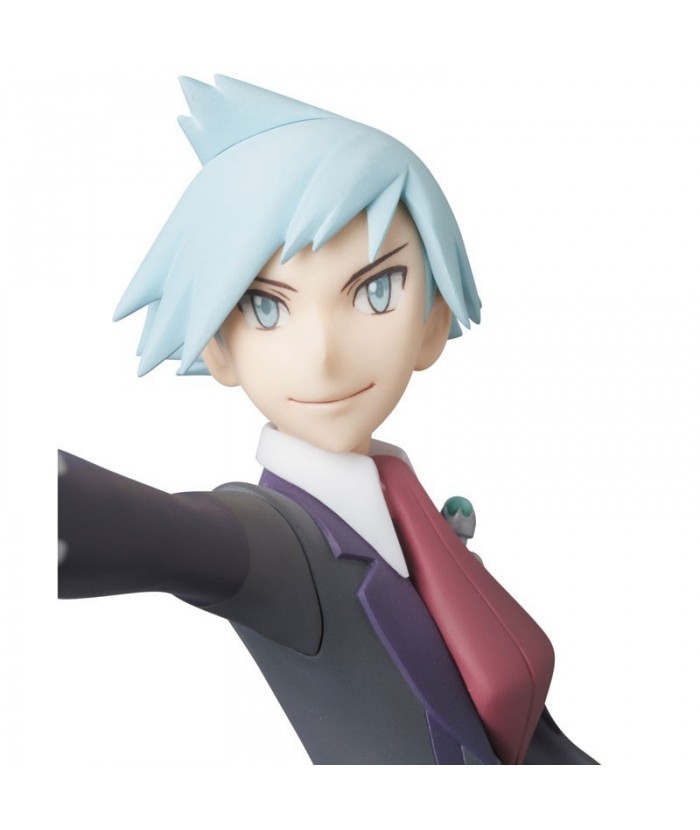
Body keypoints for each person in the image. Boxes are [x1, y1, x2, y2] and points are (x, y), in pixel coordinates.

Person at [58, 75, 597, 765]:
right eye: (267, 307)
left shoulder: (400, 496)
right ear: (219, 348)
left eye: (376, 292)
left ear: (432, 323)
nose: (323, 356)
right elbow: (144, 531)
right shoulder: (277, 545)